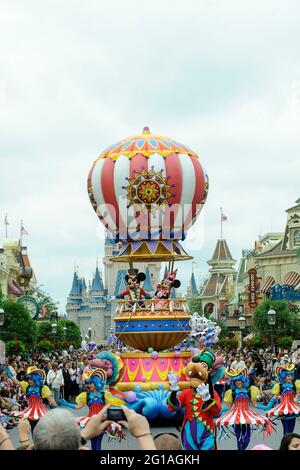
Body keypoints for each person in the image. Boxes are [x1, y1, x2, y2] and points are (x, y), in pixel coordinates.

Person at [167, 350, 222, 450]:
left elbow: (217, 411)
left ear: (208, 372)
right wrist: (174, 391)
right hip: (188, 433)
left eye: (203, 366)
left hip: (206, 432)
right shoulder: (187, 393)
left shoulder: (212, 393)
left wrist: (208, 399)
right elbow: (172, 407)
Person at [216, 367, 272, 451]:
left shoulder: (250, 391)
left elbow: (255, 405)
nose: (237, 382)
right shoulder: (232, 392)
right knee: (239, 439)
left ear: (242, 381)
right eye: (235, 381)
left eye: (239, 380)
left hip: (247, 417)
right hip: (236, 418)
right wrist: (217, 411)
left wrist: (267, 406)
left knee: (247, 439)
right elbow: (228, 407)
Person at [256, 363, 300, 436]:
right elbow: (274, 397)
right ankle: (285, 445)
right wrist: (267, 408)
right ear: (284, 377)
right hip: (283, 411)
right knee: (286, 430)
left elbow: (298, 394)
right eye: (288, 376)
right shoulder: (279, 386)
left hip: (293, 410)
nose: (290, 377)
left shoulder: (295, 385)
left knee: (291, 430)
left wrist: (296, 398)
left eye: (291, 376)